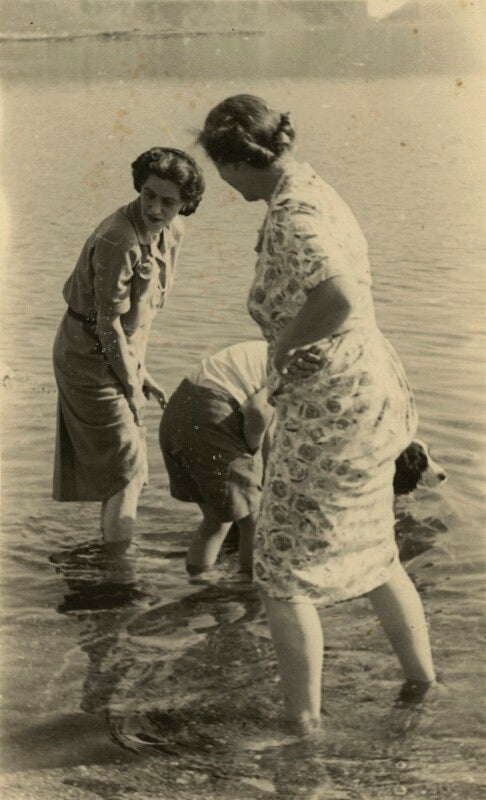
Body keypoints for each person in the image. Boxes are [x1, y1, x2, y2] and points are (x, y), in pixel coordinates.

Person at [198, 94, 437, 734]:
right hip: (369, 390)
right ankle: (423, 683)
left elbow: (338, 295)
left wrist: (284, 346)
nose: (223, 182)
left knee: (282, 573)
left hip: (334, 404)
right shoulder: (312, 186)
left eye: (222, 168)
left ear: (237, 162)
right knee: (377, 551)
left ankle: (302, 727)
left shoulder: (291, 215)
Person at [52, 147, 205, 544]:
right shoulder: (118, 239)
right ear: (139, 187)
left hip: (118, 348)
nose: (155, 208)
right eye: (148, 195)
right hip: (87, 353)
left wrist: (140, 369)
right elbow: (108, 324)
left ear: (187, 204)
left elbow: (142, 314)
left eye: (168, 202)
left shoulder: (173, 231)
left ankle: (109, 567)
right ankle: (120, 575)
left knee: (125, 468)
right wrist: (132, 386)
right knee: (129, 470)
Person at [159, 340, 275, 575]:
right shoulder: (293, 362)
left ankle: (199, 584)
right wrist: (251, 449)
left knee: (217, 518)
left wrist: (265, 474)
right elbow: (258, 410)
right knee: (254, 521)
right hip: (213, 414)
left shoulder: (264, 348)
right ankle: (249, 592)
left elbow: (270, 427)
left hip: (180, 408)